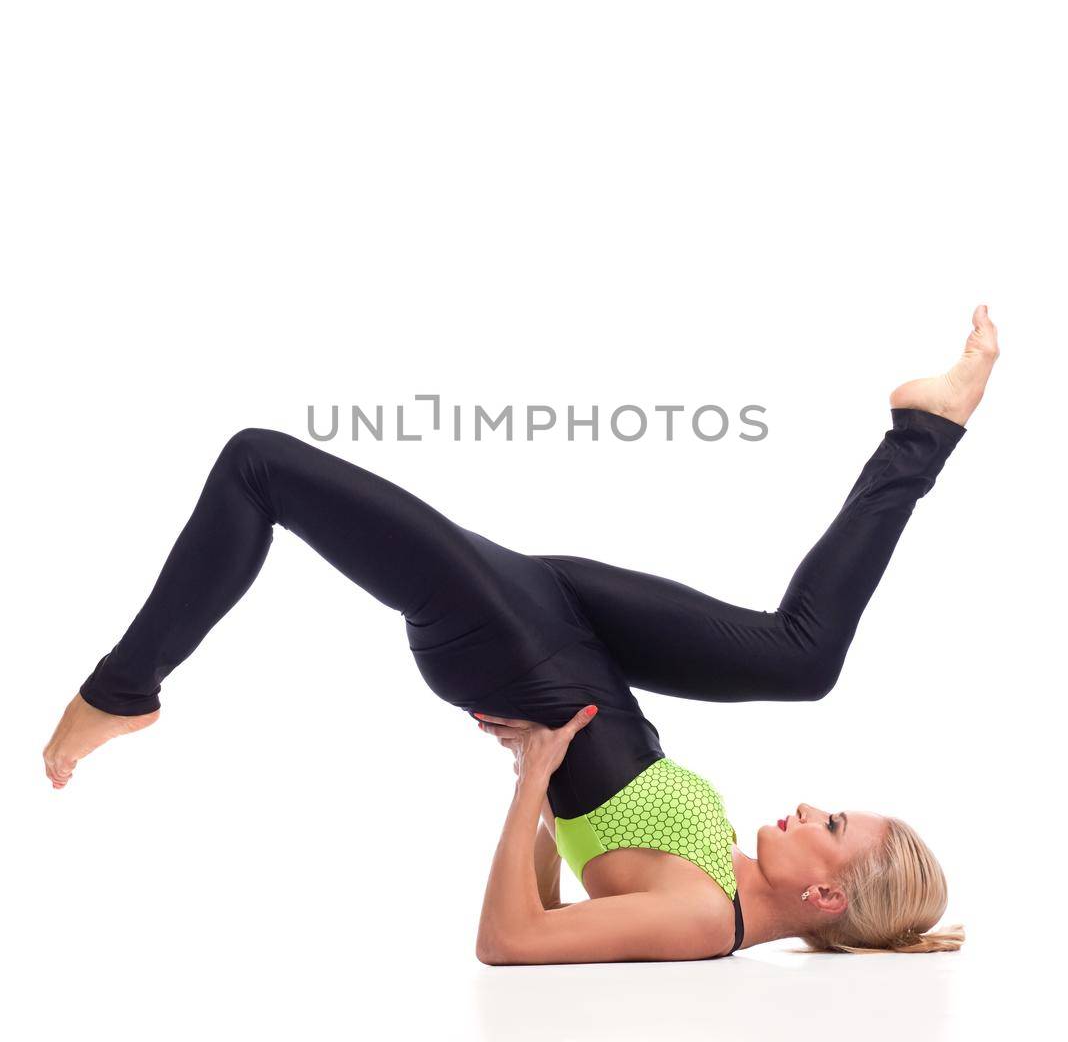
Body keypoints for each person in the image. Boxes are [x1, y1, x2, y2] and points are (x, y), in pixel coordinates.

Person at [43, 307, 1000, 965]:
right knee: (803, 660)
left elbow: (515, 938)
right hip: (567, 636)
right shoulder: (723, 886)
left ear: (828, 899)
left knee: (260, 465)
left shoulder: (705, 920)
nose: (811, 807)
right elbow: (565, 885)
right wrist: (545, 807)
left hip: (518, 651)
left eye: (831, 827)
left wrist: (534, 786)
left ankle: (124, 691)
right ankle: (922, 429)